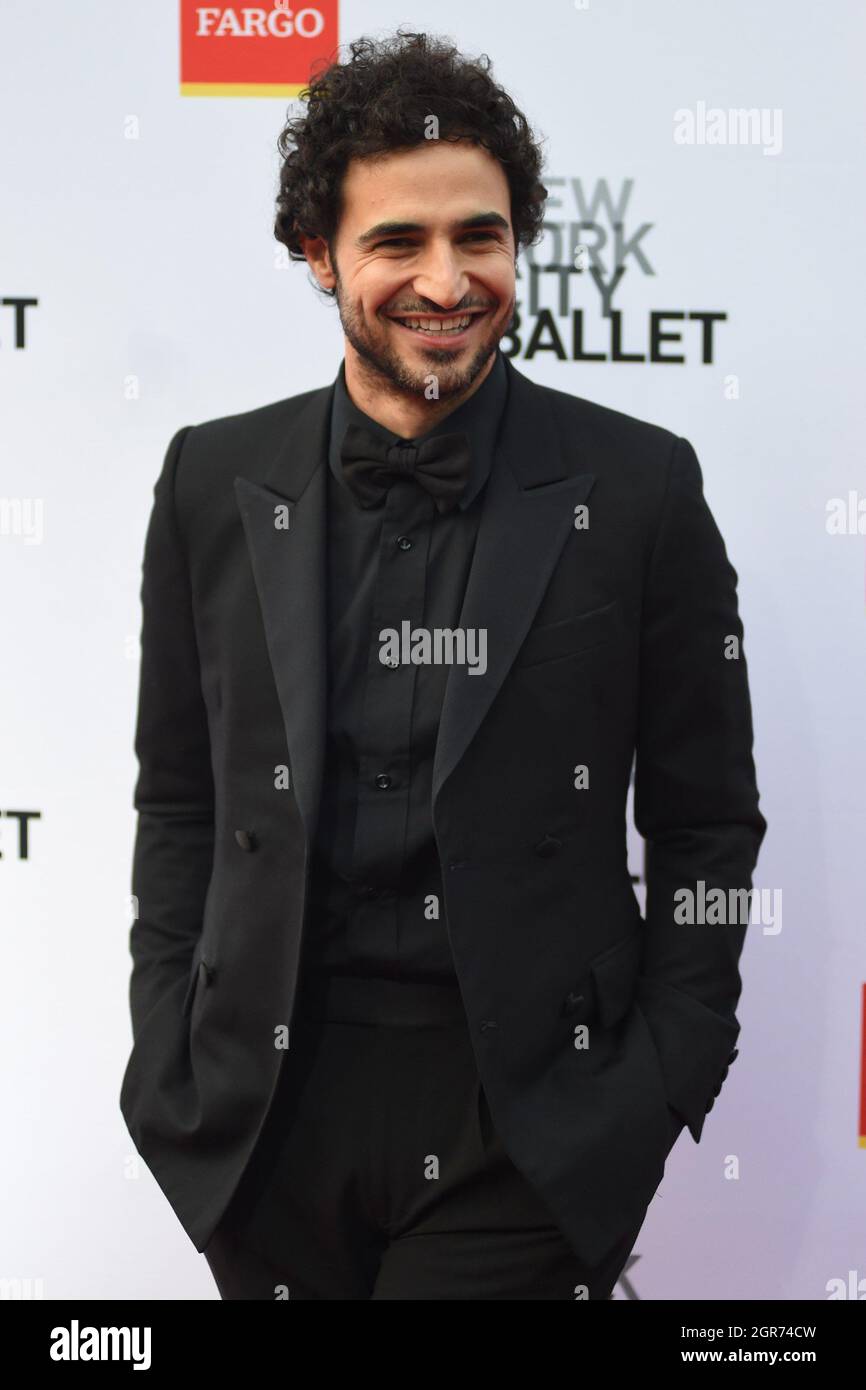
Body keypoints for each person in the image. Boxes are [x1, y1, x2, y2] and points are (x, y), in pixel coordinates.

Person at [120, 30, 766, 1300]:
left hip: (520, 1116)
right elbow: (182, 800)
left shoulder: (635, 489)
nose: (446, 278)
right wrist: (168, 1050)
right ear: (320, 257)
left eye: (479, 235)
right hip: (266, 1114)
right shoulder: (212, 479)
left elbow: (705, 821)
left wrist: (658, 1075)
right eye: (396, 243)